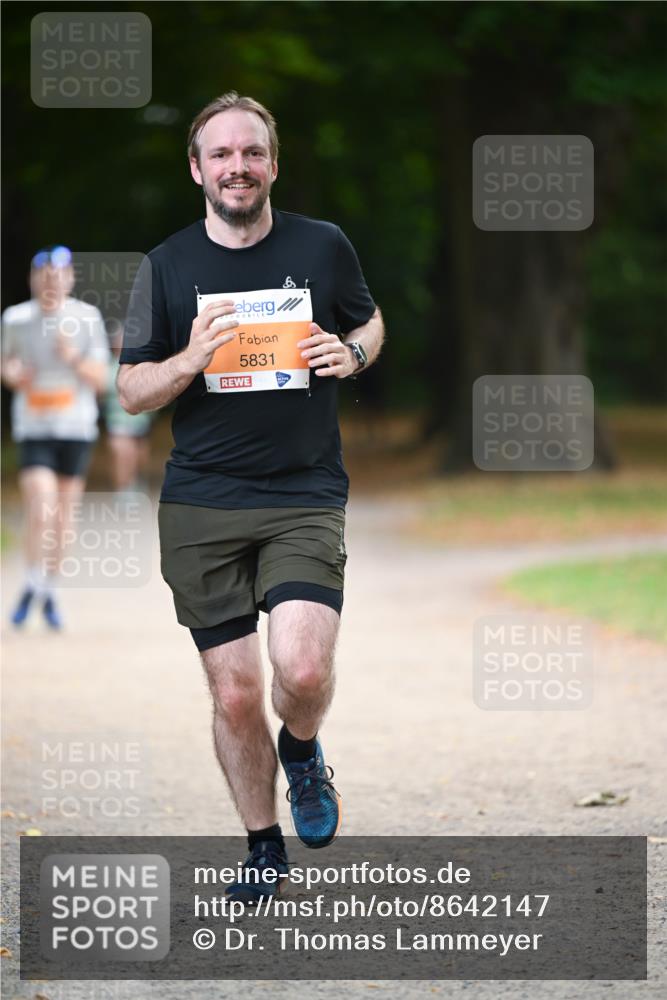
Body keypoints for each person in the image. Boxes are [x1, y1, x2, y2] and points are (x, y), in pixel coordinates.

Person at [117, 92, 384, 899]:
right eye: (222, 154)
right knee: (234, 692)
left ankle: (301, 752)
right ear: (196, 168)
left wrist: (352, 354)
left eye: (252, 152)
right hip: (202, 500)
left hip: (304, 490)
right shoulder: (164, 267)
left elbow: (369, 323)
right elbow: (131, 389)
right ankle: (262, 846)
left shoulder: (322, 245)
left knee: (300, 670)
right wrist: (188, 361)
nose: (239, 166)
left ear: (273, 162)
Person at [2, 246, 109, 630]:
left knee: (63, 516)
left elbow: (101, 379)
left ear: (69, 279)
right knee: (41, 506)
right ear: (32, 280)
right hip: (34, 426)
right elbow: (6, 363)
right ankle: (33, 579)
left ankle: (46, 589)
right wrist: (14, 373)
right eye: (42, 276)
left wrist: (72, 358)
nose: (49, 283)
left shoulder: (86, 317)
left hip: (75, 427)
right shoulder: (15, 319)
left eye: (57, 276)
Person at [104, 327, 153, 496]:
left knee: (139, 457)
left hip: (141, 421)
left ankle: (133, 483)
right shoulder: (108, 366)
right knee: (123, 455)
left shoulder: (140, 363)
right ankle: (122, 490)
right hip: (118, 421)